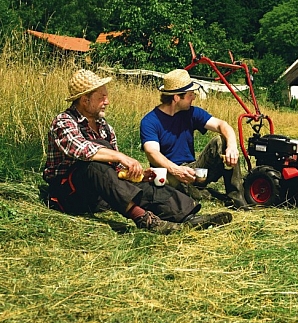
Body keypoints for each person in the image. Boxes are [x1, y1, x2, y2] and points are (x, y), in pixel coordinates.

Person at [42, 69, 232, 234]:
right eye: (102, 97)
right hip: (70, 193)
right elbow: (82, 150)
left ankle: (189, 217)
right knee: (93, 166)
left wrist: (139, 176)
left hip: (102, 192)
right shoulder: (64, 122)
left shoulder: (104, 128)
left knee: (149, 184)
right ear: (85, 100)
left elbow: (115, 172)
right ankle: (145, 220)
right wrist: (121, 157)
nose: (107, 102)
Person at [140, 69, 249, 210]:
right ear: (176, 98)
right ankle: (200, 194)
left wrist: (232, 147)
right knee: (168, 182)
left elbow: (223, 125)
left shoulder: (191, 112)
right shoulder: (150, 121)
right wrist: (176, 170)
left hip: (193, 170)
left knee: (221, 140)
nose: (194, 98)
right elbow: (152, 153)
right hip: (170, 173)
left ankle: (237, 199)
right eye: (190, 95)